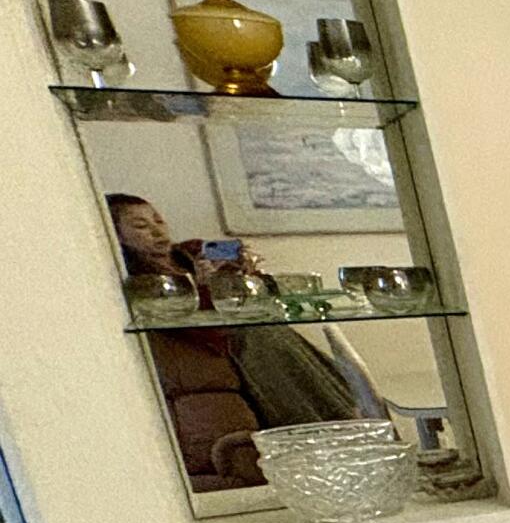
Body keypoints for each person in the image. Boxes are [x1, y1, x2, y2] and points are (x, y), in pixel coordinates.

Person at [107, 194, 366, 488]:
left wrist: (243, 272)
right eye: (140, 226)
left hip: (258, 330)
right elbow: (193, 323)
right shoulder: (144, 280)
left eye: (159, 221)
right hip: (232, 342)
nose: (157, 232)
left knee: (275, 332)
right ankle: (339, 426)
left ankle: (348, 417)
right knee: (263, 336)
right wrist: (206, 288)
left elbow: (260, 294)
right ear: (118, 236)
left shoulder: (193, 252)